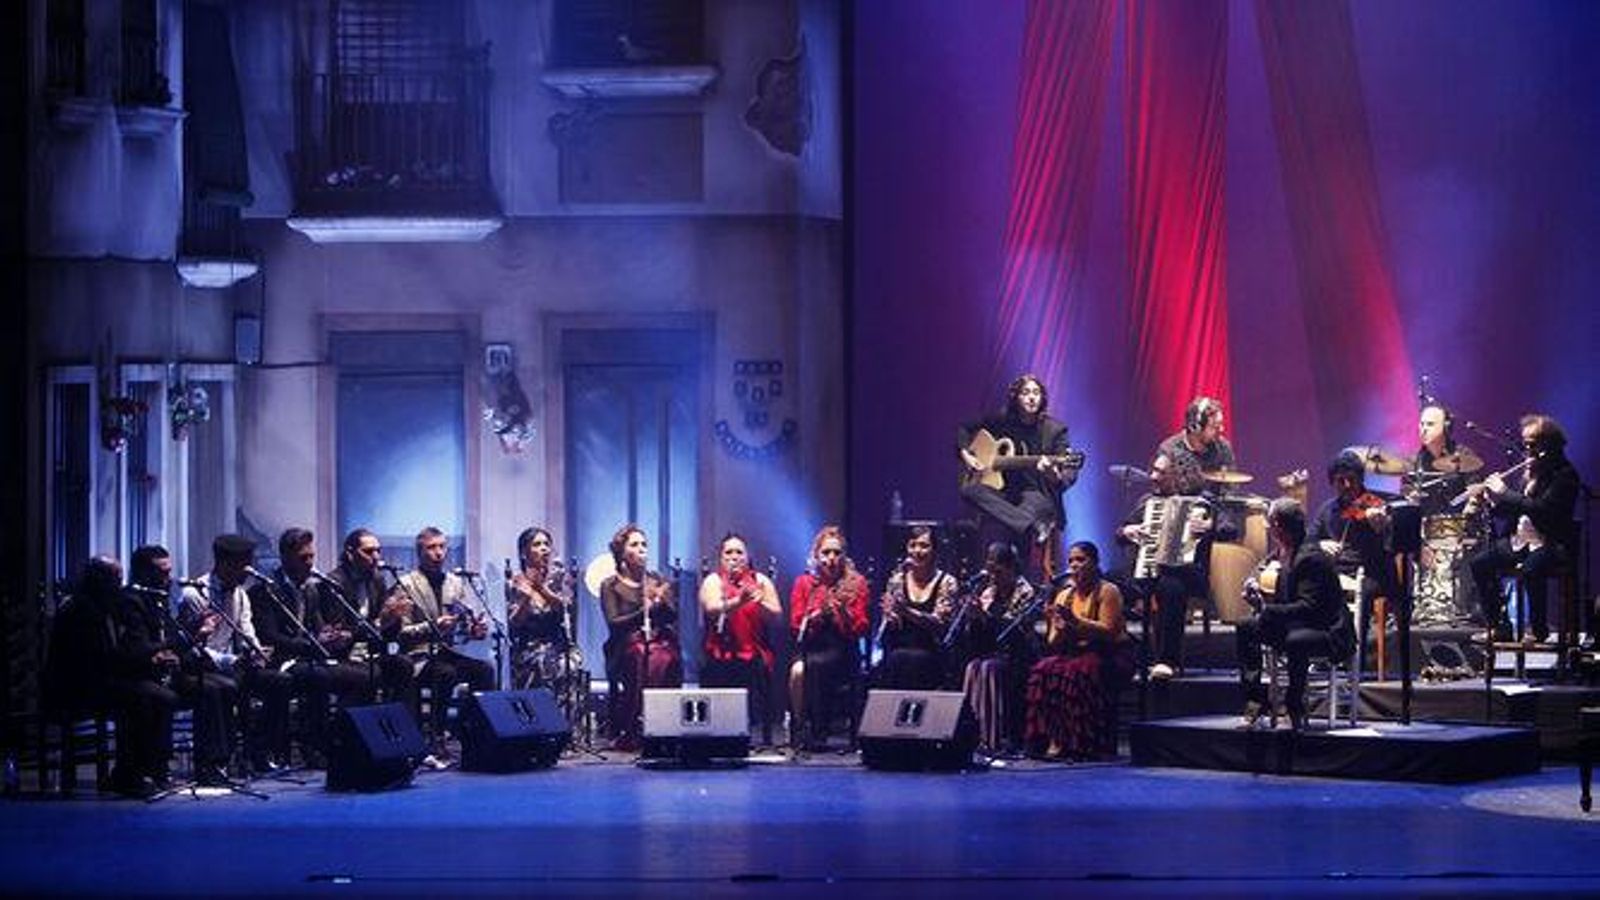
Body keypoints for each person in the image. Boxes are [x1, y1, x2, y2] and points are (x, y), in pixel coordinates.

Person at [1118, 396, 1235, 681]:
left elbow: (1228, 511)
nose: (1220, 431)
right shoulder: (1167, 454)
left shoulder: (1223, 451)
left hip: (1198, 551)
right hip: (1162, 540)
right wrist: (1128, 531)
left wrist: (1208, 525)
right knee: (1114, 581)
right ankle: (1121, 657)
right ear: (1196, 425)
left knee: (1172, 586)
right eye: (1215, 426)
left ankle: (1167, 661)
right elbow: (1122, 529)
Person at [42, 556, 177, 797]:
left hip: (101, 679)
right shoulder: (79, 610)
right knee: (142, 698)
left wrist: (144, 656)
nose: (121, 585)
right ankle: (129, 774)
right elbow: (95, 658)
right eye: (116, 579)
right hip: (75, 686)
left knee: (158, 695)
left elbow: (120, 649)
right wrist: (150, 654)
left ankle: (150, 769)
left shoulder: (105, 606)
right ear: (99, 581)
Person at [247, 528, 372, 767]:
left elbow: (316, 627)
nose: (310, 563)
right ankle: (314, 746)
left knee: (364, 675)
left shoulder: (312, 589)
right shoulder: (265, 590)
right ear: (285, 557)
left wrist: (330, 636)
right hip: (282, 661)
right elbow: (270, 636)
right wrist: (312, 644)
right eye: (303, 557)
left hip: (309, 657)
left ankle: (346, 740)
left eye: (312, 557)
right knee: (319, 677)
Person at [178, 533, 293, 774]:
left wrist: (256, 651)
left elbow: (246, 629)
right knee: (225, 686)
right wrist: (232, 660)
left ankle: (260, 751)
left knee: (280, 682)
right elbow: (193, 646)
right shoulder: (195, 594)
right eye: (244, 565)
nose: (249, 571)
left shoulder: (240, 594)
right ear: (224, 564)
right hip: (203, 666)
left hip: (233, 665)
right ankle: (219, 760)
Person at [1237, 498, 1354, 730]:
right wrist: (1255, 589)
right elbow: (1271, 579)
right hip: (1296, 623)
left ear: (1279, 525)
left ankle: (1294, 709)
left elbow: (1309, 608)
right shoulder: (1282, 550)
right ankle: (1255, 701)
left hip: (1328, 630)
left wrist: (1267, 610)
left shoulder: (1311, 557)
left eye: (1270, 524)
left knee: (1295, 641)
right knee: (1246, 626)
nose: (1268, 528)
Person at [126, 545, 237, 786]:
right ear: (143, 574)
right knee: (188, 693)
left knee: (221, 686)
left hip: (168, 669)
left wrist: (194, 630)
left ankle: (217, 762)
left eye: (169, 572)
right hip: (142, 673)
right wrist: (189, 638)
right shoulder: (133, 601)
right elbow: (141, 646)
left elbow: (173, 637)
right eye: (161, 573)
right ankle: (159, 768)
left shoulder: (159, 598)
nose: (168, 579)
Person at [384, 527, 497, 759]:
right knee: (444, 673)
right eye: (431, 547)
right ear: (420, 552)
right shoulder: (405, 584)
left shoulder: (455, 583)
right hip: (418, 657)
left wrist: (473, 630)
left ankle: (468, 729)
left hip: (449, 652)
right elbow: (401, 634)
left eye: (442, 547)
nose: (439, 553)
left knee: (485, 670)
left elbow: (462, 626)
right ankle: (435, 736)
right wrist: (434, 627)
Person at [1467, 414, 1580, 644]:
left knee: (1531, 569)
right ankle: (1499, 625)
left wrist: (1506, 494)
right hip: (1521, 541)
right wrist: (1492, 501)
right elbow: (1515, 510)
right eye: (1525, 443)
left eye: (1531, 443)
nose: (1526, 449)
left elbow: (1542, 510)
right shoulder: (1531, 472)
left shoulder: (1565, 475)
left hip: (1550, 543)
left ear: (1548, 444)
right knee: (1479, 563)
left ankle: (1538, 629)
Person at [1024, 541, 1134, 761]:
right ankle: (1054, 738)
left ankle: (1079, 742)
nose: (1074, 565)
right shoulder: (1064, 595)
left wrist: (1076, 622)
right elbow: (1053, 642)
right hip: (1074, 651)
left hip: (1109, 652)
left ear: (1094, 563)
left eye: (1081, 560)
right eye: (1071, 560)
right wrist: (1060, 628)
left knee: (1077, 672)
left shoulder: (1108, 590)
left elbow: (1110, 631)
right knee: (1043, 669)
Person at [957, 374, 1080, 563]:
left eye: (1036, 393)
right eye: (1026, 393)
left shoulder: (1056, 430)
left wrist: (1052, 475)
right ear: (1016, 398)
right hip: (1006, 492)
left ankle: (1017, 577)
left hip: (1039, 494)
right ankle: (1030, 526)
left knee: (1023, 514)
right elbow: (964, 428)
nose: (1032, 397)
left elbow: (1068, 475)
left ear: (1042, 398)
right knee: (969, 490)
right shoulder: (1004, 422)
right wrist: (966, 454)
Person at [1308, 451, 1399, 667]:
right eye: (1341, 481)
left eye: (1352, 479)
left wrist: (1382, 528)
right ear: (1333, 482)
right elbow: (1308, 539)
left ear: (1361, 479)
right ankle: (1324, 649)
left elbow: (1394, 546)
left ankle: (1354, 655)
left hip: (1372, 573)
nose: (1347, 485)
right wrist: (1321, 544)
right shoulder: (1328, 509)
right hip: (1338, 572)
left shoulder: (1378, 505)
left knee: (1361, 591)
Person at [599, 524, 683, 751]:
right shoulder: (610, 585)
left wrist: (662, 602)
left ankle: (664, 724)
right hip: (625, 644)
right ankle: (636, 724)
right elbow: (614, 623)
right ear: (622, 552)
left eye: (644, 544)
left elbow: (671, 616)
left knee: (667, 655)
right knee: (641, 654)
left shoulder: (655, 578)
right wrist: (643, 611)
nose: (642, 549)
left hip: (658, 639)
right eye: (635, 544)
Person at [954, 541, 1040, 757]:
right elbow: (982, 637)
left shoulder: (1024, 591)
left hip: (1019, 654)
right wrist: (973, 619)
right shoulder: (988, 592)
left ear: (1010, 568)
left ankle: (995, 738)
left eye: (997, 569)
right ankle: (974, 733)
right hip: (993, 651)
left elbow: (1013, 632)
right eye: (989, 567)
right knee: (973, 667)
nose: (992, 574)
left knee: (988, 669)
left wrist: (985, 617)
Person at [787, 525, 870, 749]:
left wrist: (843, 612)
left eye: (836, 552)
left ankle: (820, 729)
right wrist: (816, 615)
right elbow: (795, 624)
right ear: (816, 555)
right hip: (813, 645)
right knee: (798, 671)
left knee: (820, 665)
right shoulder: (805, 583)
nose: (831, 558)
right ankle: (800, 725)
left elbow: (861, 627)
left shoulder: (856, 583)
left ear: (844, 555)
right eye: (826, 553)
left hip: (844, 648)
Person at [699, 533, 782, 746]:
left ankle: (759, 733)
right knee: (718, 667)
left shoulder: (760, 581)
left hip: (753, 650)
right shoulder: (713, 580)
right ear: (721, 558)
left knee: (757, 666)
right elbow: (711, 608)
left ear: (747, 557)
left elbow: (776, 615)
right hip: (721, 650)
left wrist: (759, 601)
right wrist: (739, 600)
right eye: (729, 552)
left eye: (739, 552)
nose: (734, 557)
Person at [321, 528, 415, 705]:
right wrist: (380, 622)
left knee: (404, 665)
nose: (376, 556)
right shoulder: (333, 583)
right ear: (350, 553)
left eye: (378, 550)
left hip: (371, 650)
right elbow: (340, 631)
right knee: (366, 676)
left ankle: (397, 723)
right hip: (344, 654)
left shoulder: (377, 579)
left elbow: (387, 630)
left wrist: (396, 617)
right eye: (368, 551)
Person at [872, 524, 957, 690]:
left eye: (924, 546)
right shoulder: (897, 579)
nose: (917, 551)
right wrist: (890, 617)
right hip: (899, 651)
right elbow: (888, 626)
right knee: (895, 660)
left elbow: (941, 625)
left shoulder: (947, 582)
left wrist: (907, 612)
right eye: (912, 545)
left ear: (935, 551)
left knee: (915, 661)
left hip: (931, 652)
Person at [507, 527, 576, 693]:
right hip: (528, 646)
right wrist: (527, 597)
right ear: (524, 553)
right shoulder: (515, 583)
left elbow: (565, 610)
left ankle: (565, 716)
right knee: (539, 662)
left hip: (558, 645)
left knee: (568, 663)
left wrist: (542, 589)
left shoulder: (559, 580)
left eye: (546, 544)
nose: (544, 549)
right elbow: (514, 622)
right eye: (537, 544)